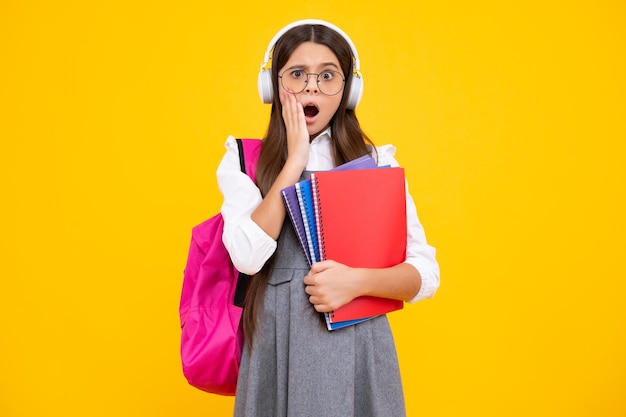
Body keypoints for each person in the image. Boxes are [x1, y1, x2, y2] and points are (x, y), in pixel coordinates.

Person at [216, 19, 439, 417]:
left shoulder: (376, 164)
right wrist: (294, 160)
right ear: (272, 85)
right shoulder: (242, 160)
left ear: (348, 90)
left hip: (358, 346)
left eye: (328, 75)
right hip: (275, 346)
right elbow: (247, 258)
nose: (311, 87)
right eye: (297, 74)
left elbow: (425, 275)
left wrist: (356, 282)